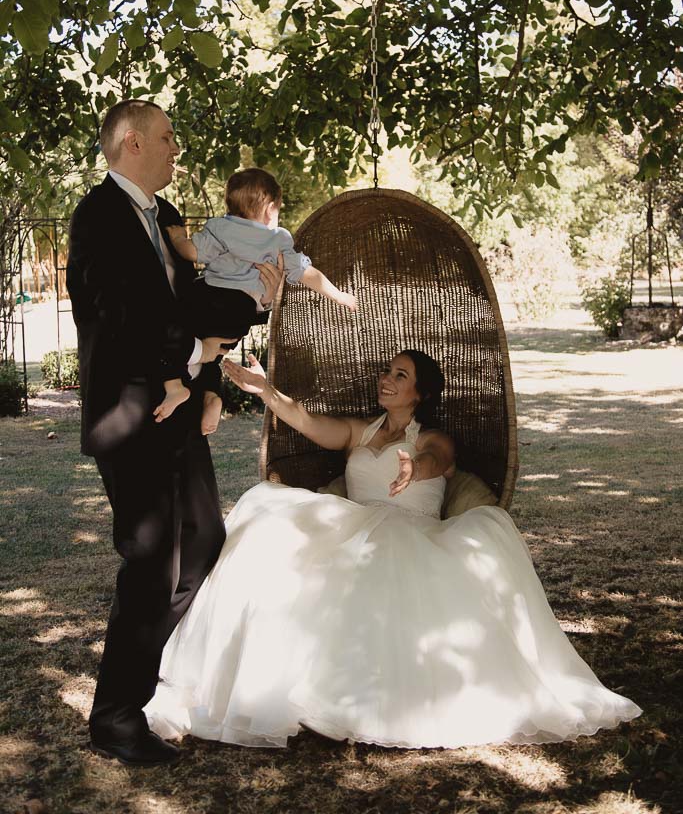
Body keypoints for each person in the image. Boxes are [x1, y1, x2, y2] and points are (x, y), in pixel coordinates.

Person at [143, 349, 642, 749]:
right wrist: (264, 390)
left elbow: (431, 461)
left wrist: (413, 471)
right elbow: (308, 422)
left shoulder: (436, 437)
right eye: (386, 371)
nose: (387, 379)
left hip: (412, 531)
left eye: (399, 375)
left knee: (376, 570)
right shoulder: (362, 430)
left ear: (419, 393)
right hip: (351, 521)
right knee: (266, 513)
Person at [66, 99, 284, 766]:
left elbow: (188, 301)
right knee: (151, 560)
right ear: (130, 143)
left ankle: (139, 685)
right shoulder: (98, 216)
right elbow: (119, 315)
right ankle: (117, 718)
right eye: (166, 138)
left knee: (203, 546)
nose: (175, 149)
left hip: (179, 410)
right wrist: (189, 356)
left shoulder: (162, 216)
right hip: (131, 416)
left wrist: (254, 300)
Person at [154, 167, 357, 423]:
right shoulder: (277, 241)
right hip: (242, 312)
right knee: (214, 349)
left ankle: (175, 387)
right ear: (271, 208)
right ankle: (211, 396)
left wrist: (178, 238)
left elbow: (192, 253)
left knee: (173, 326)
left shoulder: (220, 228)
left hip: (210, 297)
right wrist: (339, 295)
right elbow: (308, 274)